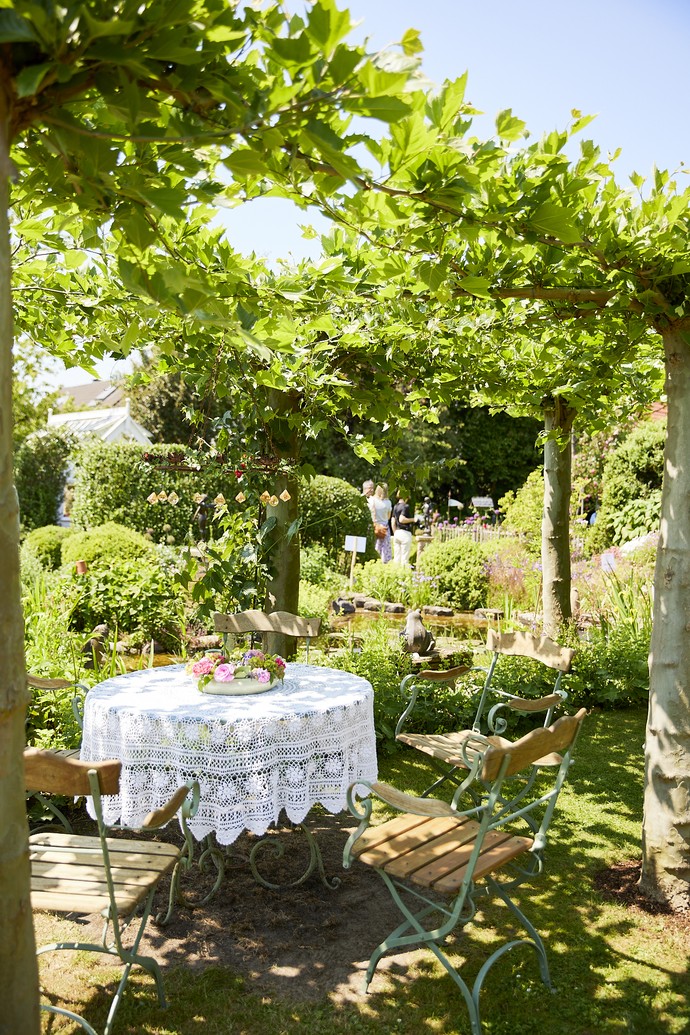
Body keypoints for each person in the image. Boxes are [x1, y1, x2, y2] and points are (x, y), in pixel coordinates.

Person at [369, 483, 392, 563]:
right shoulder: (388, 502)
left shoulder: (372, 500)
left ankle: (372, 562)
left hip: (374, 526)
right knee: (385, 549)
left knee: (374, 545)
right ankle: (384, 563)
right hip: (384, 527)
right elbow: (388, 517)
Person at [392, 491, 416, 566]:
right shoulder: (405, 506)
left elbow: (393, 521)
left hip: (397, 532)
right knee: (404, 559)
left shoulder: (395, 506)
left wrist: (395, 532)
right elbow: (401, 519)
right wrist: (413, 519)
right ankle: (404, 574)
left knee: (396, 558)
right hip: (405, 532)